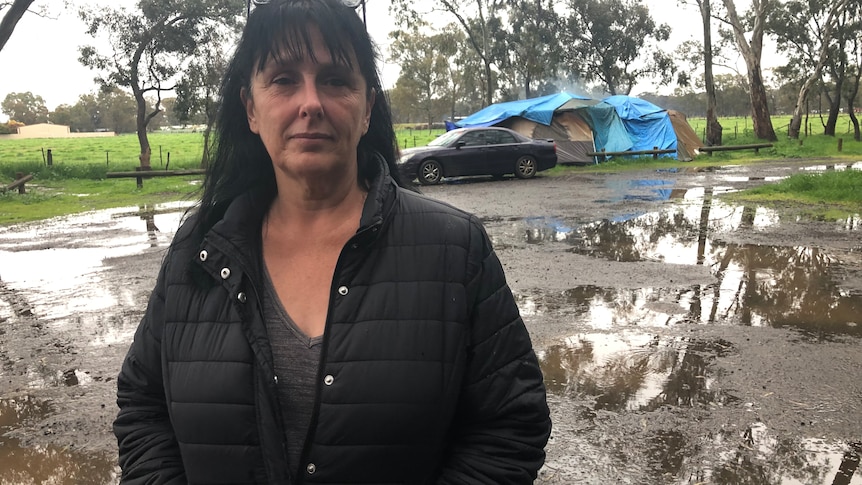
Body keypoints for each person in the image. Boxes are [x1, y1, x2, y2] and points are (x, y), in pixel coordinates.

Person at [113, 0, 552, 483]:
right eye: (283, 79)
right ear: (250, 109)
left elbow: (509, 426)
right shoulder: (199, 246)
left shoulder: (455, 247)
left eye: (335, 79)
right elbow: (144, 405)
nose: (310, 103)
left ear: (366, 109)